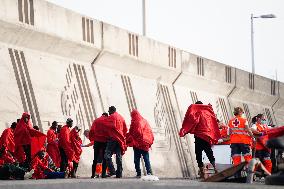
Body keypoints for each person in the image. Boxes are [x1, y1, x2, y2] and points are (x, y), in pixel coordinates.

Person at [179, 101, 220, 178]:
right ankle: (216, 169)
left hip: (199, 135)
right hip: (207, 135)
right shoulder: (207, 112)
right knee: (209, 152)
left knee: (198, 154)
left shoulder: (198, 112)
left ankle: (202, 172)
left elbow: (194, 121)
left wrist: (186, 129)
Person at [126, 110, 154, 178]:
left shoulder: (135, 121)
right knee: (146, 158)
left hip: (137, 143)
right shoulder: (145, 121)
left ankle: (138, 173)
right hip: (145, 143)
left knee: (136, 159)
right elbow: (149, 131)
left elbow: (135, 132)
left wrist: (128, 138)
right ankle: (149, 172)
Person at [104, 106, 128, 178]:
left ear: (111, 111)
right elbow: (125, 129)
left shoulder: (111, 117)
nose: (109, 113)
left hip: (113, 138)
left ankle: (112, 171)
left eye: (109, 111)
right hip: (120, 139)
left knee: (107, 155)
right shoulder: (121, 117)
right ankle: (119, 173)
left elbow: (107, 127)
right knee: (118, 156)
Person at [88, 113, 110, 178]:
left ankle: (92, 174)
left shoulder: (96, 121)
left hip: (97, 141)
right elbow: (109, 131)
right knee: (104, 158)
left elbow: (91, 131)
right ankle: (103, 174)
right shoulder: (108, 121)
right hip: (105, 142)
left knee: (95, 158)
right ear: (106, 116)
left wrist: (92, 139)